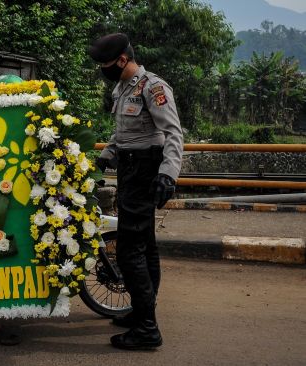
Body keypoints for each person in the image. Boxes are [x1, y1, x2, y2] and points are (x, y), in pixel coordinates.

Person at [88, 33, 183, 350]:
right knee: (145, 247)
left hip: (145, 170)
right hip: (129, 168)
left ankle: (146, 329)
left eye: (106, 64)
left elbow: (173, 134)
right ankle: (142, 312)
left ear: (123, 60)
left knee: (129, 252)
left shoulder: (153, 87)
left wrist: (168, 175)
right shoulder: (122, 88)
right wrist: (103, 160)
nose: (104, 70)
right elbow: (122, 134)